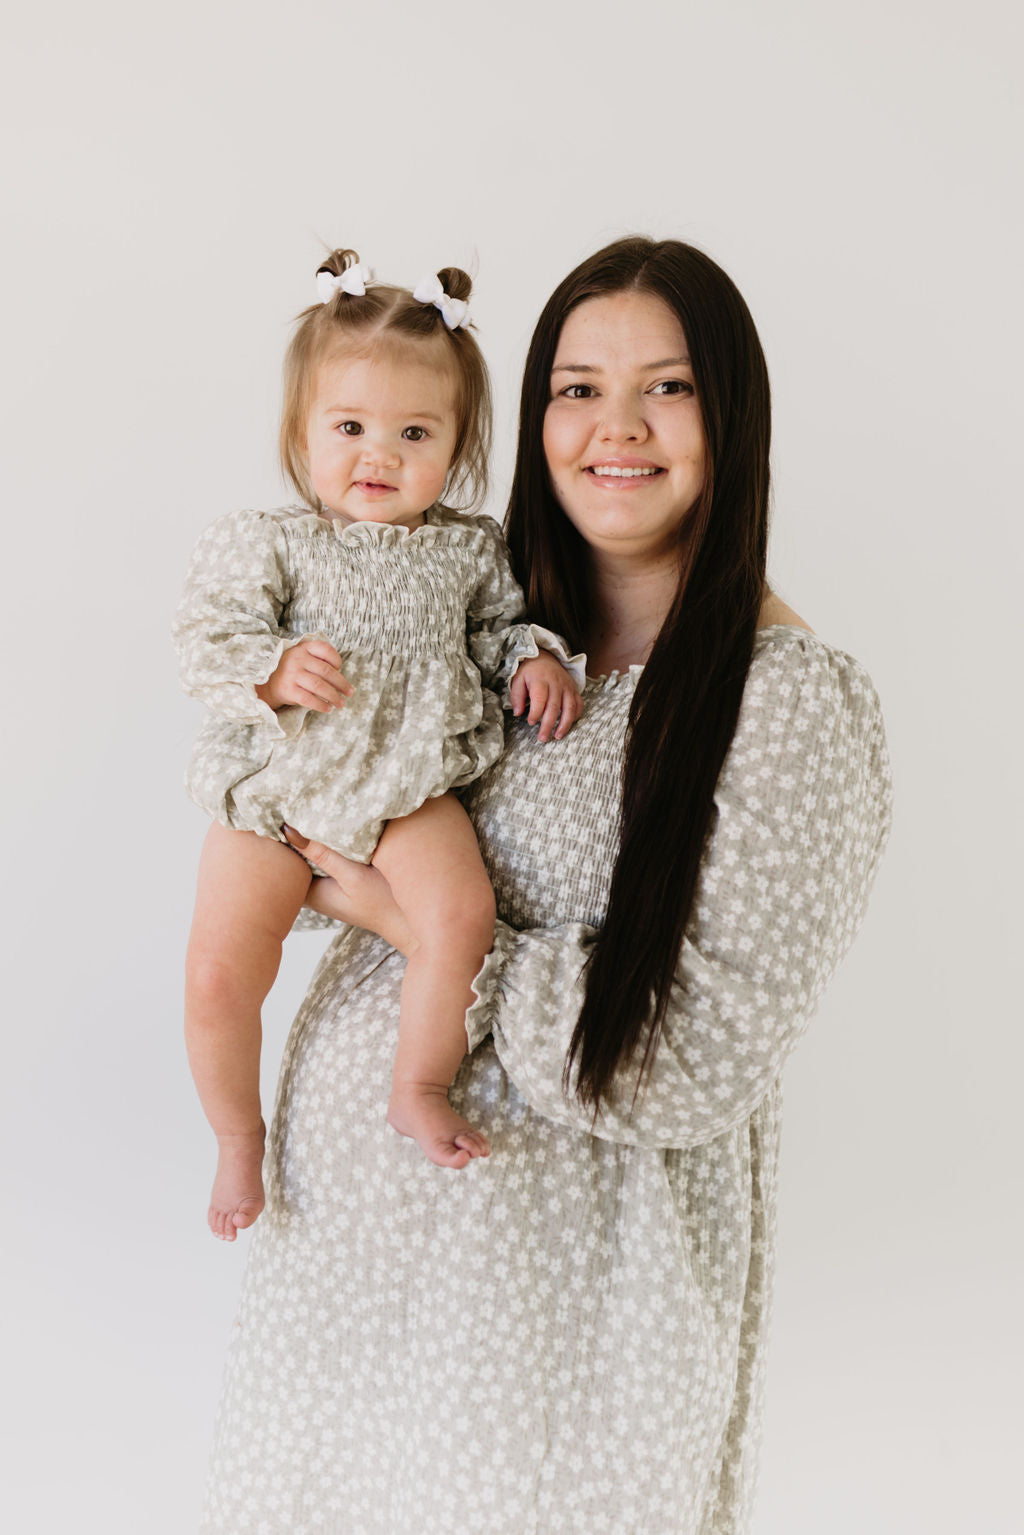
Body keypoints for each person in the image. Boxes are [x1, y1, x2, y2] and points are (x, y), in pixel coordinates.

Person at [198, 237, 893, 1534]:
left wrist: (404, 918)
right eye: (576, 387)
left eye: (668, 387)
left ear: (733, 415)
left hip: (550, 1360)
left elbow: (685, 1057)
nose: (614, 425)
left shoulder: (786, 701)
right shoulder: (488, 655)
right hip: (339, 1309)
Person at [173, 249, 584, 1240]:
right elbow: (204, 638)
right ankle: (236, 1131)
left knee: (462, 912)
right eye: (350, 427)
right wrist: (270, 669)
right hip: (278, 784)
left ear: (457, 443)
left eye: (414, 432)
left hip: (408, 781)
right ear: (301, 433)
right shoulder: (270, 541)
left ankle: (418, 1079)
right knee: (220, 971)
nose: (379, 454)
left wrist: (536, 659)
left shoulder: (469, 548)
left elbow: (501, 628)